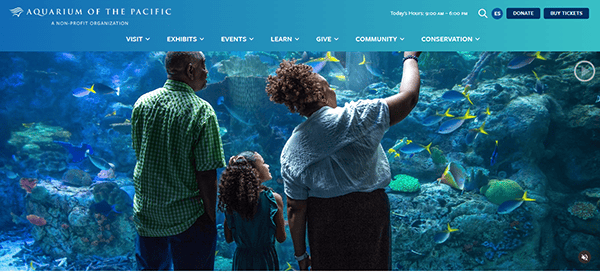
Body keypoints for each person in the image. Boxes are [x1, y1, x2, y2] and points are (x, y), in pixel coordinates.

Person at [265, 51, 421, 270]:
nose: (333, 89)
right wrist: (410, 58)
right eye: (328, 84)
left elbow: (294, 208)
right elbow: (409, 97)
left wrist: (301, 255)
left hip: (324, 223)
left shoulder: (290, 150)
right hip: (369, 215)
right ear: (320, 92)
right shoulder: (358, 117)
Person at [131, 51, 226, 270]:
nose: (207, 71)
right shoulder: (201, 110)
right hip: (189, 218)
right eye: (203, 65)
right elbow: (206, 173)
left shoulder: (142, 103)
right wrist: (212, 219)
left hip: (148, 215)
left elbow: (140, 153)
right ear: (190, 70)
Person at [218, 151, 286, 270]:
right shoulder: (273, 200)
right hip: (266, 258)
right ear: (255, 172)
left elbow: (229, 239)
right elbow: (281, 237)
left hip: (242, 260)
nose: (267, 166)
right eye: (263, 163)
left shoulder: (232, 202)